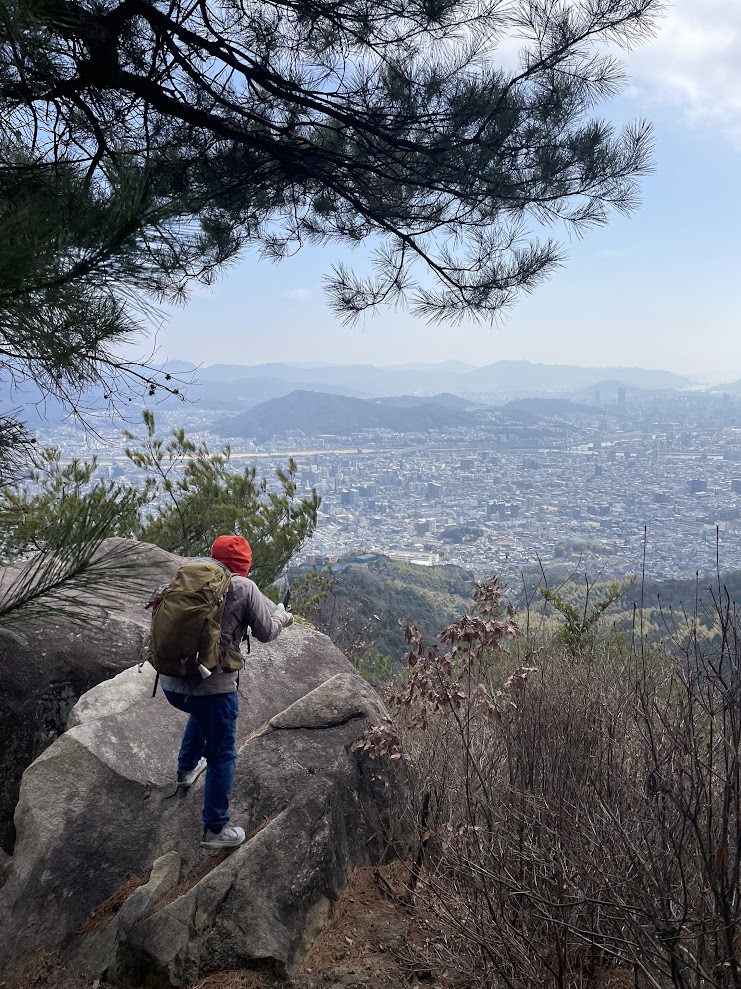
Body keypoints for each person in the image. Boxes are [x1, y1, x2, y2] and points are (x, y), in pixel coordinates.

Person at [159, 534, 293, 849]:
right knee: (223, 753)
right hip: (213, 688)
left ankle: (186, 769)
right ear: (244, 565)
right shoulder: (244, 587)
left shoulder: (187, 576)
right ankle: (216, 828)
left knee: (201, 711)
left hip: (171, 683)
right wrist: (282, 616)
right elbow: (266, 632)